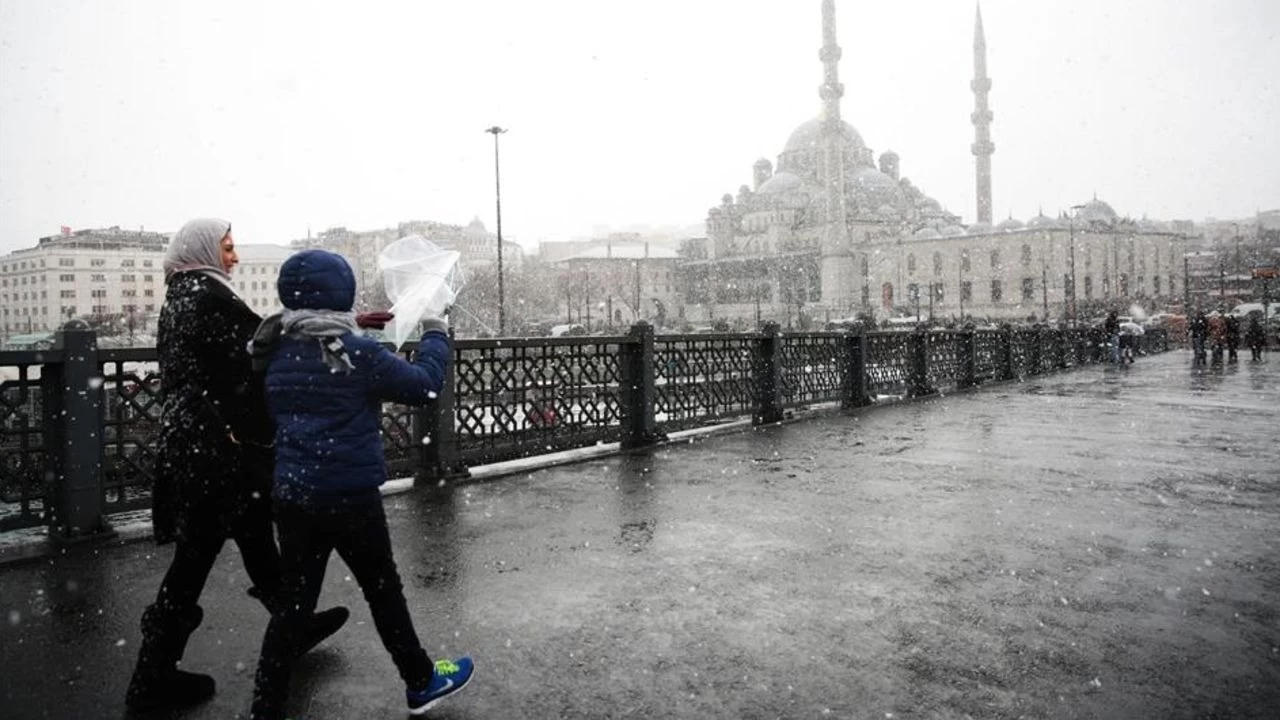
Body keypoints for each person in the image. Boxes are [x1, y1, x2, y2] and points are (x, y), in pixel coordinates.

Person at [126, 220, 348, 712]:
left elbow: (245, 346)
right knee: (193, 562)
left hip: (199, 442)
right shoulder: (205, 297)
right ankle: (151, 678)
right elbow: (258, 346)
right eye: (227, 248)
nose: (234, 257)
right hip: (214, 449)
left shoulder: (182, 295)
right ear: (203, 250)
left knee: (251, 534)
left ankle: (294, 624)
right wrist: (328, 329)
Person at [247, 249, 474, 720]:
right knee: (382, 591)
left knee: (294, 601)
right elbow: (423, 386)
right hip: (349, 496)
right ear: (343, 292)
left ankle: (265, 705)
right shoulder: (357, 353)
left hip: (293, 494)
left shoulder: (274, 346)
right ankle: (421, 681)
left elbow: (319, 352)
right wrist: (435, 331)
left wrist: (350, 325)